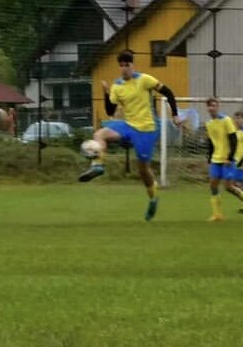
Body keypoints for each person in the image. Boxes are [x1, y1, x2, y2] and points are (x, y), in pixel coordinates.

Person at [77, 49, 179, 222]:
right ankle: (98, 165)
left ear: (133, 65)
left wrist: (175, 114)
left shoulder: (144, 79)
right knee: (100, 133)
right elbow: (110, 111)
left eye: (127, 65)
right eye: (121, 65)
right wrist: (106, 93)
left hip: (146, 128)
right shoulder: (117, 85)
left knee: (143, 169)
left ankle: (153, 197)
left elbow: (168, 92)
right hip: (127, 125)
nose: (124, 68)